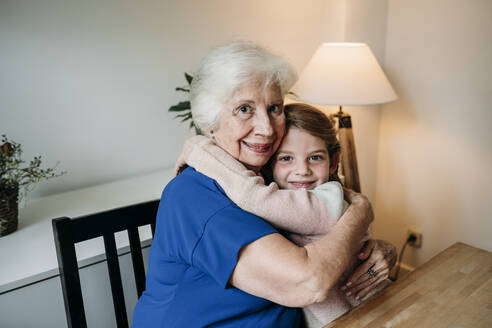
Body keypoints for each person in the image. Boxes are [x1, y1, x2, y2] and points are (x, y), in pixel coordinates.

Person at [132, 41, 391, 328]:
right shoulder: (194, 196)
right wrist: (361, 211)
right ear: (210, 121)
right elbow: (308, 283)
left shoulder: (270, 175)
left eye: (274, 108)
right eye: (244, 109)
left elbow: (330, 241)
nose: (267, 128)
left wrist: (375, 259)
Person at [175, 103, 394, 326]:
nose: (302, 170)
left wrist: (199, 149)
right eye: (286, 158)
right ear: (269, 167)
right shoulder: (289, 199)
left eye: (315, 157)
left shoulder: (326, 200)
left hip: (367, 316)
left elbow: (253, 196)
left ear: (334, 162)